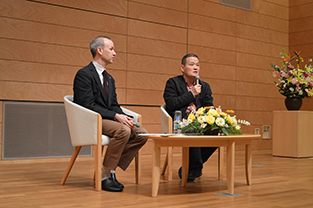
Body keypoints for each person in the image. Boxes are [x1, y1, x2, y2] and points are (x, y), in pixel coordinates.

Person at [73, 36, 148, 192]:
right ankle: (105, 175)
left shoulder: (110, 79)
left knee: (141, 133)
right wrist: (115, 117)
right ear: (100, 50)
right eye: (111, 49)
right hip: (92, 119)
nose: (115, 53)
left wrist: (124, 117)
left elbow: (113, 104)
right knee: (123, 131)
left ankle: (109, 170)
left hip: (107, 118)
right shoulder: (84, 74)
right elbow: (87, 105)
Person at [163, 53, 217, 182]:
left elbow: (209, 107)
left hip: (200, 122)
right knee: (193, 132)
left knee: (217, 133)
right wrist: (191, 93)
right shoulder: (173, 83)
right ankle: (194, 169)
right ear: (182, 68)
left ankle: (192, 167)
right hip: (179, 122)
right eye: (191, 64)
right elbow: (171, 105)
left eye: (197, 65)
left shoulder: (205, 86)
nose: (195, 67)